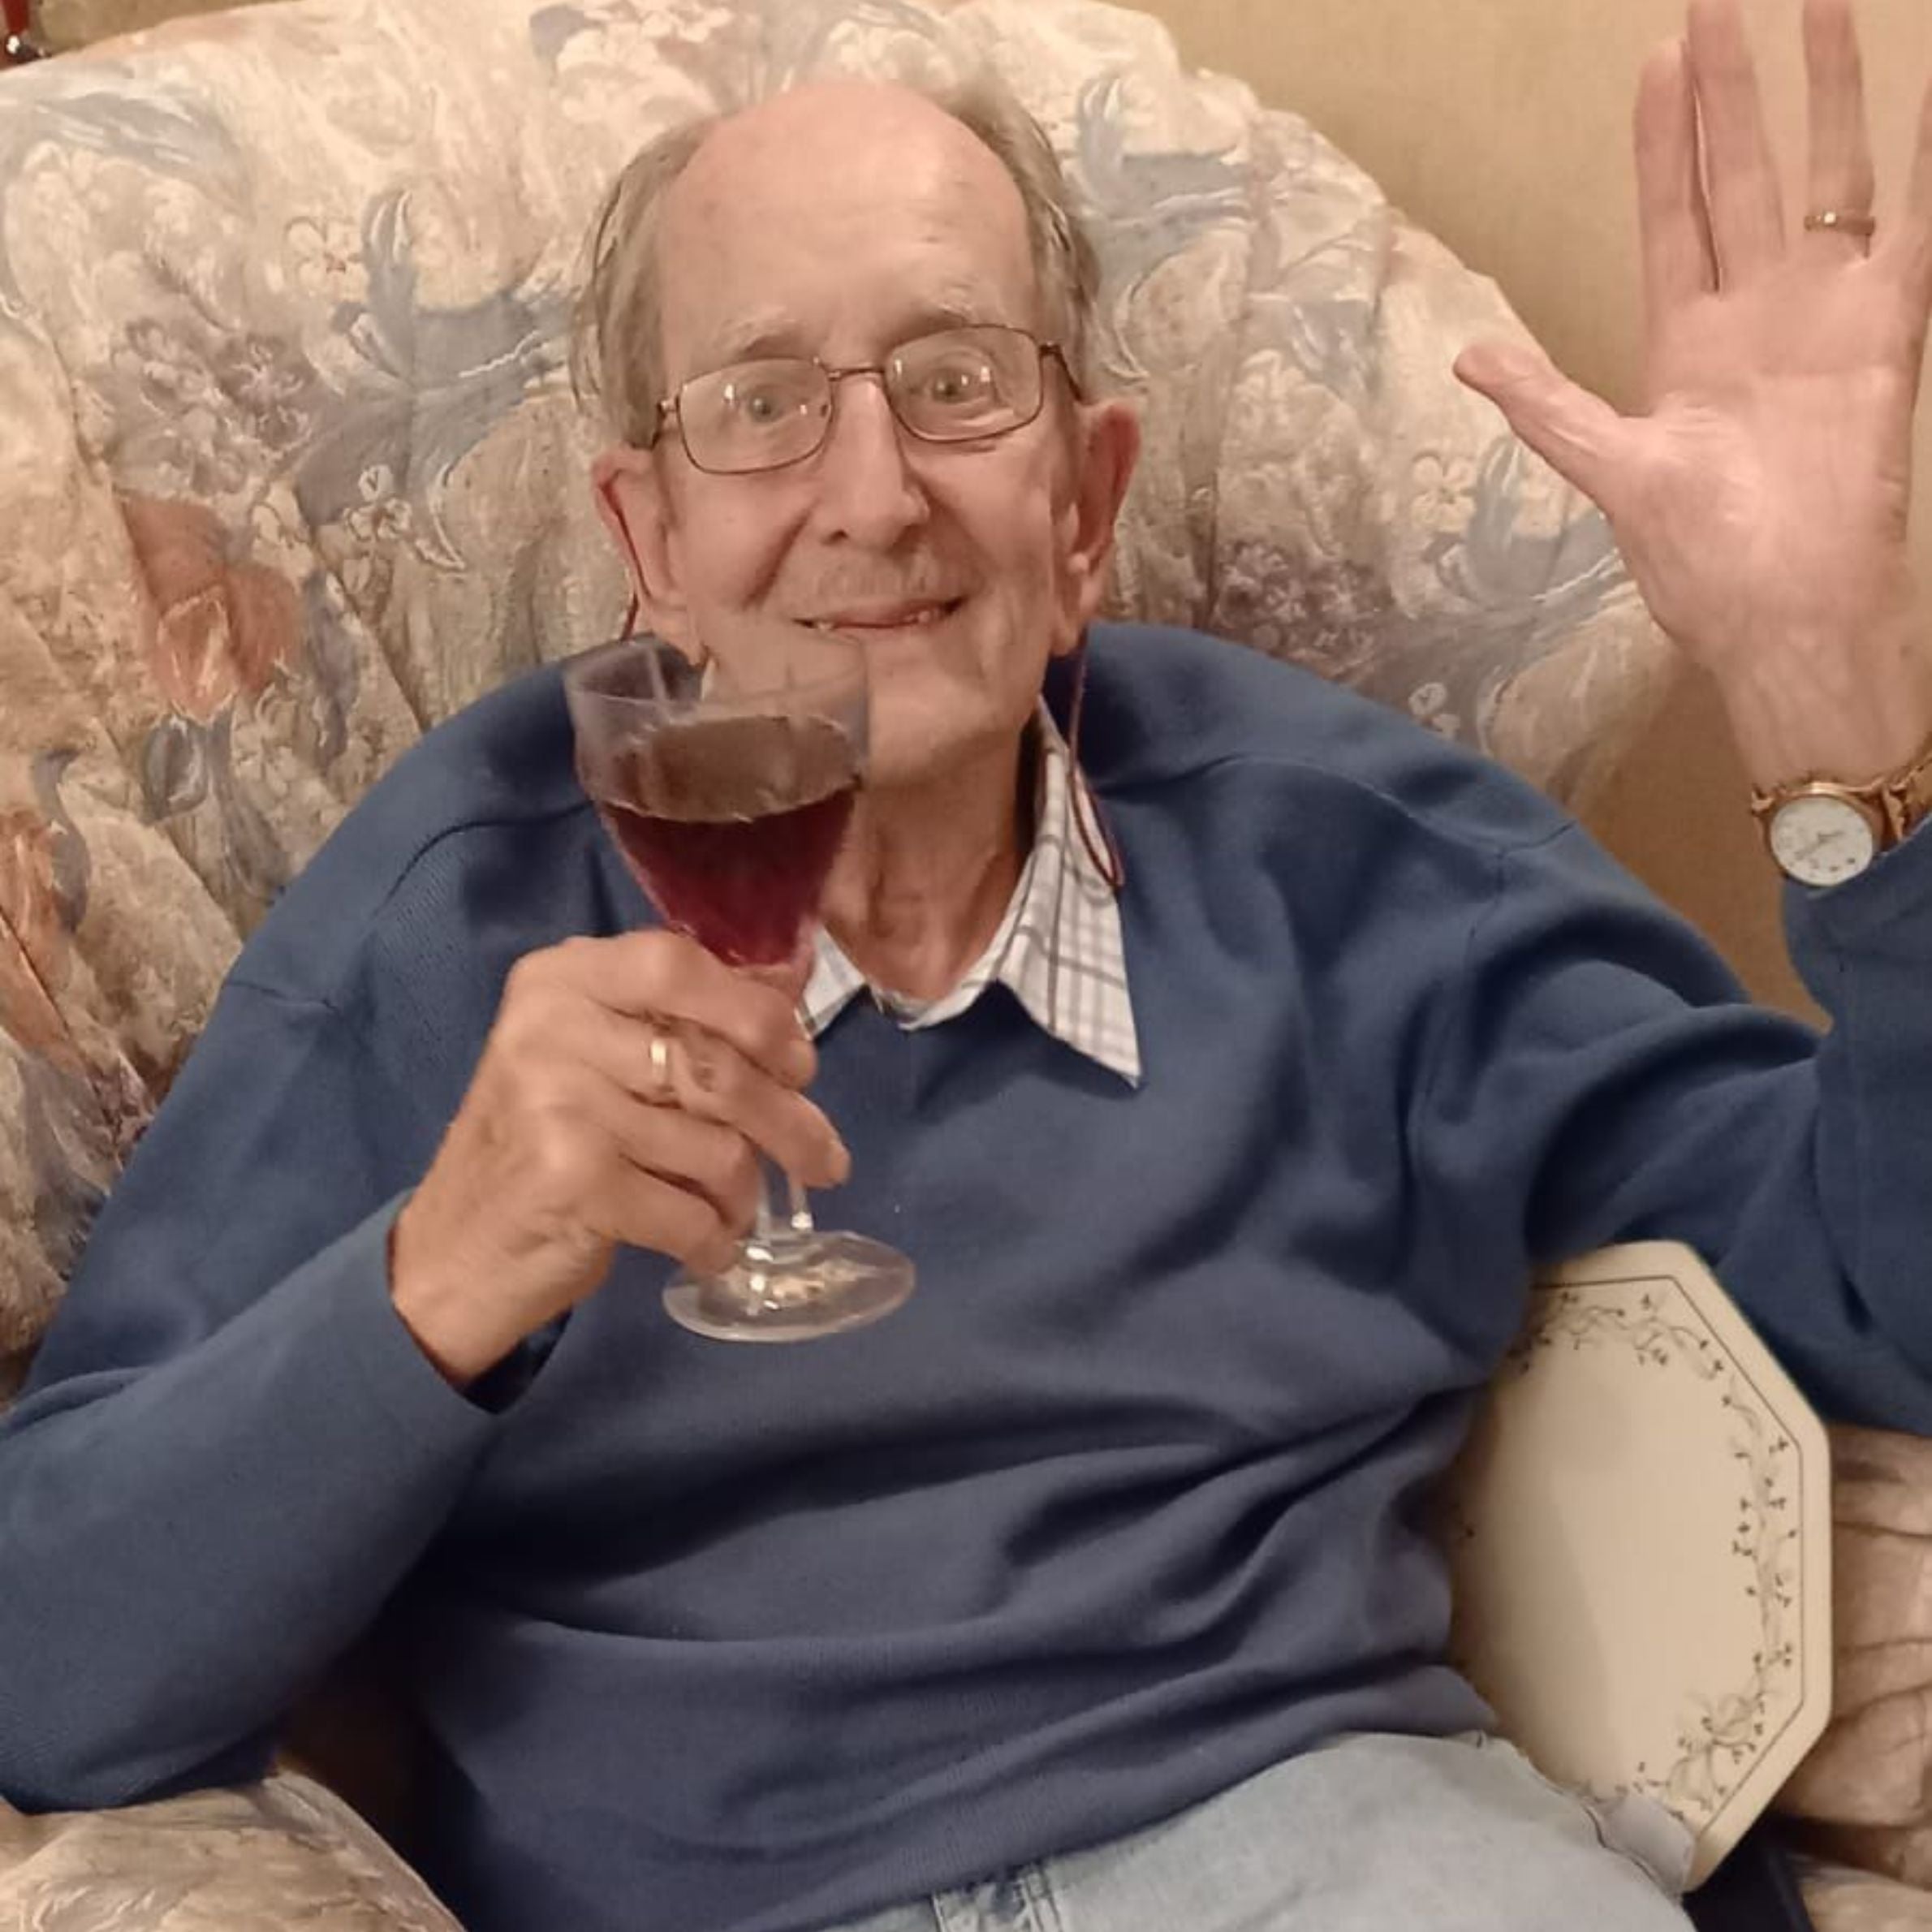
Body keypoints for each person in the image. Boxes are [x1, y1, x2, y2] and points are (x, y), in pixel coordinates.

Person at [4, 2, 1932, 1929]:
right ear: (647, 537)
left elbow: (1882, 1299)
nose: (871, 493)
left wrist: (1832, 707)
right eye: (760, 402)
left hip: (1337, 1847)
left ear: (1083, 506)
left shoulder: (1358, 862)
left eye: (953, 382)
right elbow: (47, 1658)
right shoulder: (448, 912)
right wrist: (433, 1279)